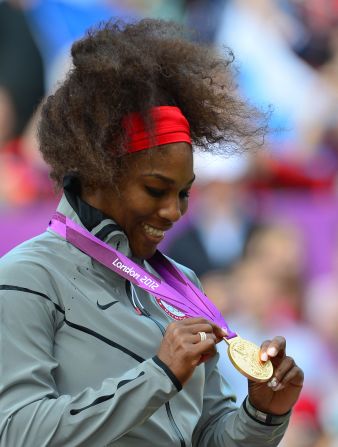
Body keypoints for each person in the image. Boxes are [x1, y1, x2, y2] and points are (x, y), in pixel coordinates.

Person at [0, 19, 304, 446]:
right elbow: (17, 432)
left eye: (183, 193)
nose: (174, 211)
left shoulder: (184, 289)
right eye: (155, 189)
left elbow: (209, 437)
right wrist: (159, 374)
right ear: (98, 172)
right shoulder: (24, 278)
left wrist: (262, 414)